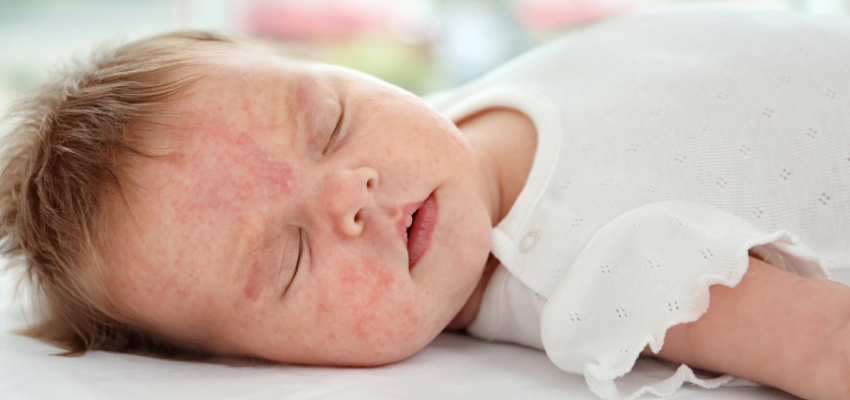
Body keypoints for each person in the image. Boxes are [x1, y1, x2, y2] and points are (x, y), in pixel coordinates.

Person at [2, 6, 850, 400]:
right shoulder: (594, 275)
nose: (350, 196)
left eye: (328, 120)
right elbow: (826, 347)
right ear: (259, 360)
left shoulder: (467, 105)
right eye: (289, 257)